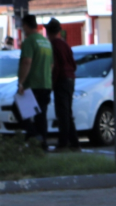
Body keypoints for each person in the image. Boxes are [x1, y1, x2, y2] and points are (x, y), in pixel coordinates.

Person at [16, 15, 53, 150]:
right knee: (41, 115)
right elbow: (51, 65)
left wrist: (21, 83)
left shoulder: (29, 41)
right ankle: (42, 144)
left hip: (33, 85)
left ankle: (34, 135)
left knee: (17, 109)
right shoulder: (46, 42)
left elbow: (27, 62)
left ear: (26, 25)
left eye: (23, 26)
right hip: (46, 83)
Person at [46, 19, 79, 152]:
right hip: (70, 79)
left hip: (61, 80)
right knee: (67, 112)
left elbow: (56, 67)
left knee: (62, 113)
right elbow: (73, 64)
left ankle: (63, 143)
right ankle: (74, 143)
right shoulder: (65, 44)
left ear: (48, 32)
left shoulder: (53, 45)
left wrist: (51, 84)